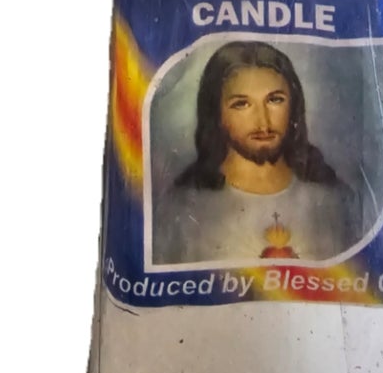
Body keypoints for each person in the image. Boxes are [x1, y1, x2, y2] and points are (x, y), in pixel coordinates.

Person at [151, 40, 361, 266]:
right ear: (216, 113)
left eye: (275, 100)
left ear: (294, 106)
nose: (263, 122)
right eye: (242, 104)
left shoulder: (334, 201)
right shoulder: (181, 209)